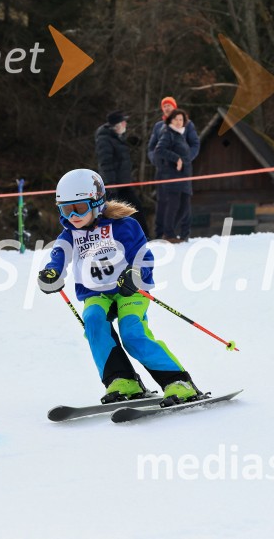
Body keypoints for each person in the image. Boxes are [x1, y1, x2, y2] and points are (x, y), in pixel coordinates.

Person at [37, 168, 202, 405]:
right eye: (66, 209)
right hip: (96, 294)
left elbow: (142, 256)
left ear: (97, 201)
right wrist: (51, 274)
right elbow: (58, 258)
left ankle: (178, 381)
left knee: (132, 331)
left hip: (129, 290)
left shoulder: (124, 226)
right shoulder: (70, 234)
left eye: (80, 208)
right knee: (93, 321)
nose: (73, 215)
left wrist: (135, 275)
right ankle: (122, 380)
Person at [148, 96, 200, 240]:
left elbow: (195, 144)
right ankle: (162, 234)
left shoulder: (187, 124)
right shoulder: (159, 126)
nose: (167, 108)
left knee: (184, 200)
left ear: (175, 107)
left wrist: (185, 160)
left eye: (169, 105)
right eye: (164, 106)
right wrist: (156, 160)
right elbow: (153, 148)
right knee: (164, 201)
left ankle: (184, 232)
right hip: (163, 170)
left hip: (182, 170)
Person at [94, 111, 149, 237]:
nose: (125, 124)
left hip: (123, 183)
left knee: (136, 208)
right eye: (123, 122)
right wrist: (110, 184)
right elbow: (105, 163)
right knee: (111, 213)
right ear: (116, 125)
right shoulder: (104, 139)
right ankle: (104, 239)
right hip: (112, 185)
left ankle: (144, 236)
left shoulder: (118, 138)